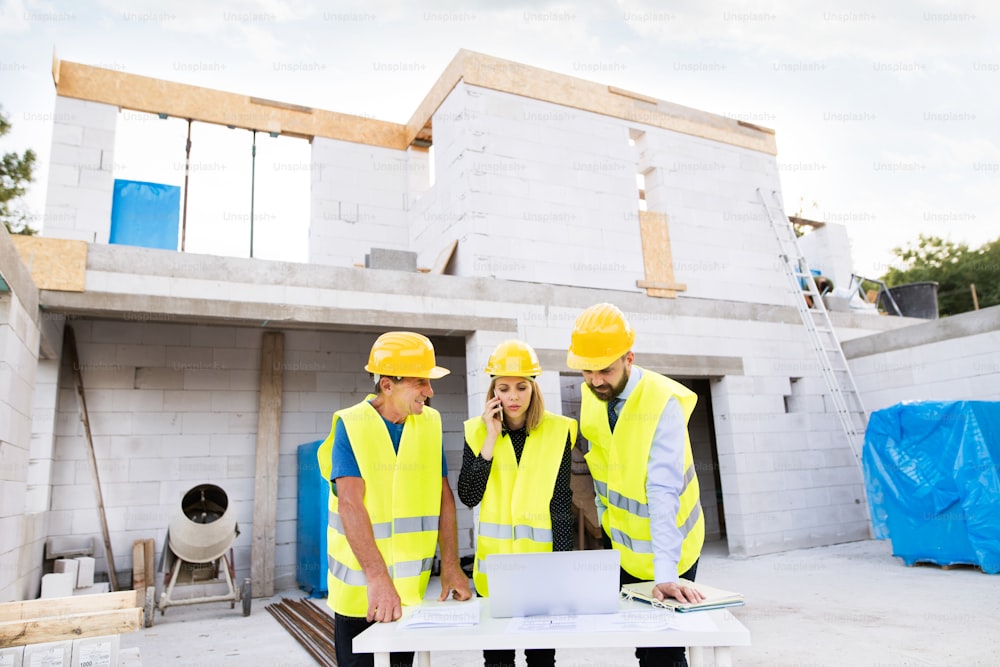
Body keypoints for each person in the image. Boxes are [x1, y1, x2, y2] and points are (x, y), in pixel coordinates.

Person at [318, 331, 472, 667]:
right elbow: (349, 504)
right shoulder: (351, 424)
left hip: (408, 592)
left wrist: (450, 565)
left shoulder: (429, 422)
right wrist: (376, 578)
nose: (429, 392)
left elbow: (442, 496)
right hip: (359, 591)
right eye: (420, 383)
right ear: (387, 385)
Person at [565, 303, 705, 667]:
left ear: (630, 358)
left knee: (665, 646)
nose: (596, 380)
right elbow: (601, 463)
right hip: (626, 547)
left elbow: (662, 493)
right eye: (587, 370)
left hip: (673, 546)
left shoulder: (661, 403)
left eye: (606, 370)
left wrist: (666, 575)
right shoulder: (593, 395)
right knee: (644, 643)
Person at [458, 340, 576, 667]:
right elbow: (469, 495)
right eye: (504, 388)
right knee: (497, 661)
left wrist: (562, 565)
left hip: (541, 570)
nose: (513, 396)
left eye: (522, 387)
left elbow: (561, 503)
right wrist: (490, 438)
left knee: (541, 659)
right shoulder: (475, 432)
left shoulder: (558, 432)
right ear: (493, 390)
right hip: (496, 572)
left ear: (534, 389)